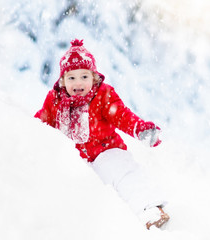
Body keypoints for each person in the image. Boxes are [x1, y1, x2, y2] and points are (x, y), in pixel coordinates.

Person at [35, 39, 169, 229]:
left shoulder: (102, 95)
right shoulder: (55, 100)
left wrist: (140, 129)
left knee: (123, 173)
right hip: (77, 160)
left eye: (84, 77)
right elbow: (39, 125)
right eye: (71, 78)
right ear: (63, 80)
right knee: (71, 186)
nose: (78, 83)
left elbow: (122, 115)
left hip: (107, 151)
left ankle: (149, 208)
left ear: (94, 77)